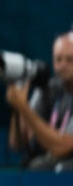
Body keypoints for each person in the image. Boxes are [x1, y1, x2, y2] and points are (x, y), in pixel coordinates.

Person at [7, 31, 73, 171]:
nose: (62, 65)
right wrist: (18, 108)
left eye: (69, 59)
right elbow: (16, 144)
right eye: (58, 59)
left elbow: (62, 147)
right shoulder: (48, 89)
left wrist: (24, 108)